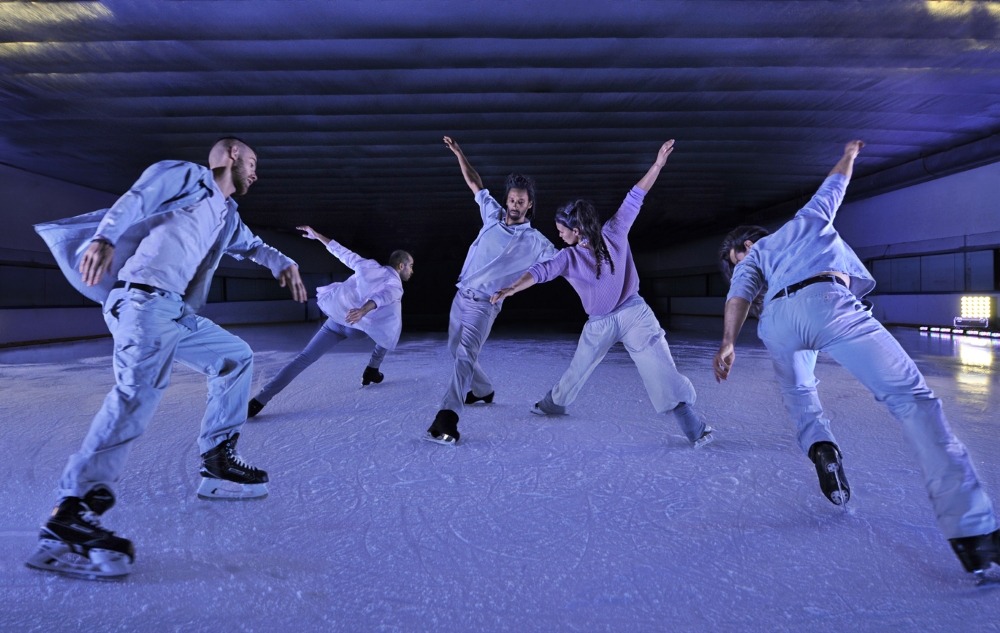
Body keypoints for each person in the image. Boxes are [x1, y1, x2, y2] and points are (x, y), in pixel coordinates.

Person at [713, 140, 1000, 581]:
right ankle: (975, 534)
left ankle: (822, 448)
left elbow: (739, 295)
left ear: (749, 244)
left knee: (801, 393)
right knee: (912, 400)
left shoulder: (757, 259)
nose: (746, 261)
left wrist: (728, 342)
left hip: (779, 323)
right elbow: (835, 185)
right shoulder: (806, 219)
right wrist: (850, 154)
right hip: (826, 299)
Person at [28, 137, 307, 579]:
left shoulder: (226, 214)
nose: (256, 172)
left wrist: (283, 261)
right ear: (231, 154)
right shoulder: (187, 177)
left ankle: (218, 460)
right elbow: (137, 199)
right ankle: (70, 513)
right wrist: (103, 237)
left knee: (234, 357)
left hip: (175, 311)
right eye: (252, 162)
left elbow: (254, 246)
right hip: (142, 303)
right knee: (138, 393)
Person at [491, 141, 713, 449]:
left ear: (577, 229)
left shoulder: (614, 231)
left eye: (561, 230)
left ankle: (691, 422)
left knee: (657, 362)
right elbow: (540, 272)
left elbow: (636, 196)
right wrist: (513, 287)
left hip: (634, 312)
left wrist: (658, 165)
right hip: (599, 324)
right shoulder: (567, 258)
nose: (559, 235)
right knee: (580, 366)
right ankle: (555, 402)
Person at [424, 136, 558, 445]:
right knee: (454, 350)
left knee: (464, 356)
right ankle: (483, 390)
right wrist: (459, 152)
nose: (514, 205)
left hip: (485, 304)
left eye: (520, 202)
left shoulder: (536, 241)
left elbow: (560, 262)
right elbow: (475, 182)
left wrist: (588, 250)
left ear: (529, 205)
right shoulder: (493, 215)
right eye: (511, 199)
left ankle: (447, 418)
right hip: (461, 296)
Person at [248, 226, 413, 417]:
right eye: (411, 266)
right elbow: (382, 297)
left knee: (304, 358)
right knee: (391, 319)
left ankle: (258, 401)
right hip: (359, 327)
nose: (412, 271)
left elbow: (343, 253)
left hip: (337, 319)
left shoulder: (367, 264)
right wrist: (362, 310)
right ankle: (372, 369)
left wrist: (318, 236)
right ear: (401, 266)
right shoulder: (395, 285)